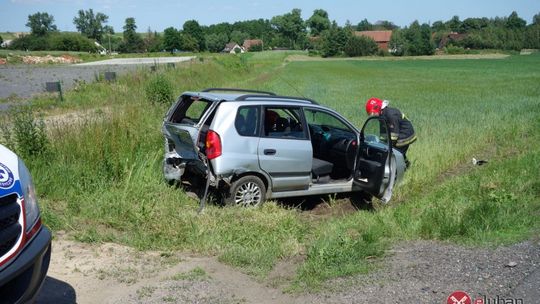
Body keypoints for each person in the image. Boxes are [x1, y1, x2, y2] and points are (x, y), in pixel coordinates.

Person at [365, 97, 417, 167]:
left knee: (396, 153)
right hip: (399, 133)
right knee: (399, 153)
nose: (372, 116)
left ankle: (399, 168)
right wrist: (381, 143)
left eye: (372, 113)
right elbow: (384, 132)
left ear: (377, 108)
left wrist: (387, 147)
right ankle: (407, 166)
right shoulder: (381, 115)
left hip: (405, 134)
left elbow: (394, 135)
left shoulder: (390, 114)